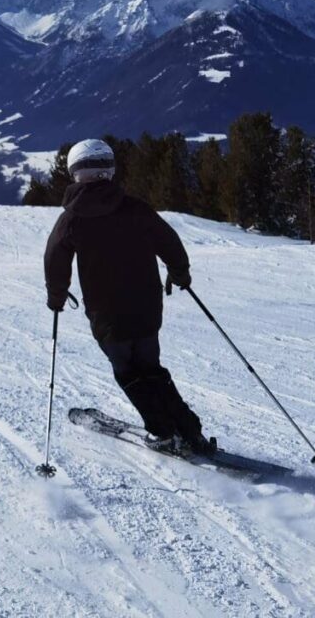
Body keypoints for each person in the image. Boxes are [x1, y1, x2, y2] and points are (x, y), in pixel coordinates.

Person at [43, 138, 215, 455]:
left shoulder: (71, 219)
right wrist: (180, 273)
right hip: (147, 307)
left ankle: (162, 432)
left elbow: (55, 259)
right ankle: (190, 430)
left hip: (107, 314)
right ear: (110, 170)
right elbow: (168, 240)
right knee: (151, 367)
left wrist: (56, 297)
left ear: (74, 173)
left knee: (128, 371)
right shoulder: (134, 208)